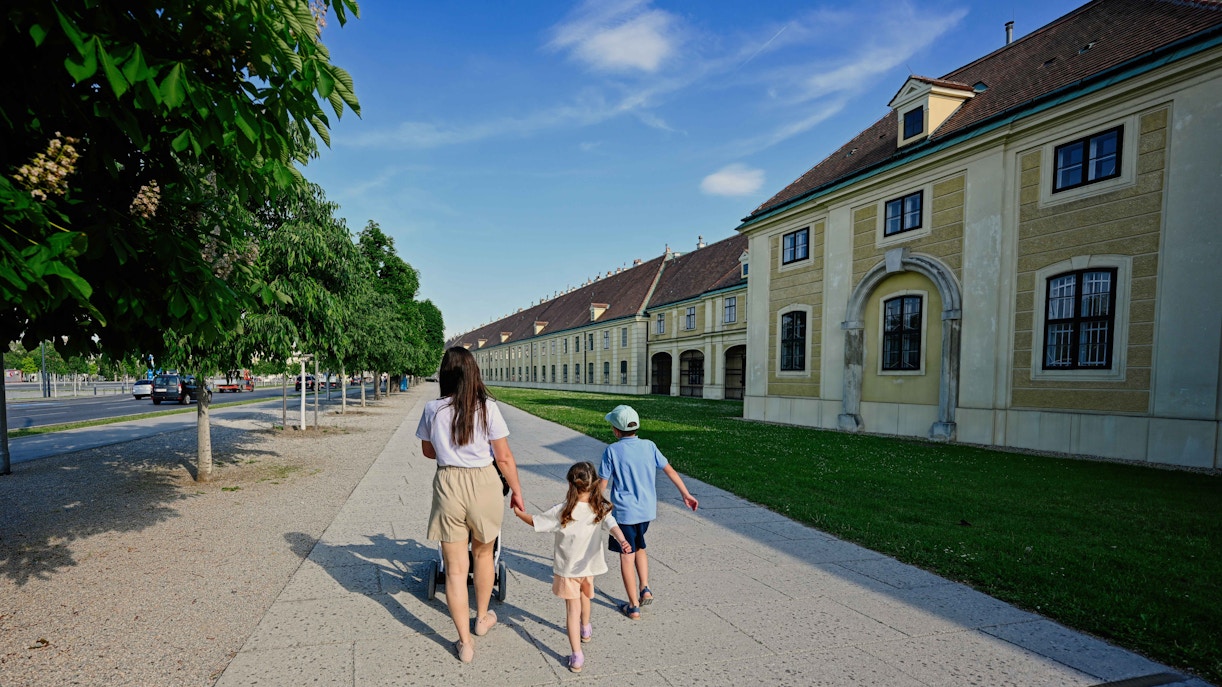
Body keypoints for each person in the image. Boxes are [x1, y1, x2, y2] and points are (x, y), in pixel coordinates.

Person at [416, 347, 525, 663]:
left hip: (449, 484)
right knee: (483, 555)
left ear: (445, 374)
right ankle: (482, 618)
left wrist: (451, 453)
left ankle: (464, 643)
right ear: (474, 372)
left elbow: (428, 452)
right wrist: (516, 491)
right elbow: (503, 456)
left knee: (454, 569)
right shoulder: (487, 407)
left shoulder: (432, 409)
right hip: (484, 483)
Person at [513, 462, 632, 673]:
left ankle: (577, 656)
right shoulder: (599, 509)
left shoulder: (563, 511)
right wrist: (622, 539)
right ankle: (586, 629)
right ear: (595, 484)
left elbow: (536, 522)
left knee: (571, 610)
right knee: (586, 598)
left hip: (568, 570)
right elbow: (613, 525)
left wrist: (518, 513)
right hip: (588, 568)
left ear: (571, 484)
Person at [598, 404, 698, 620]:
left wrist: (594, 506)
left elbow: (602, 484)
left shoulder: (612, 451)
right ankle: (645, 588)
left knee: (626, 554)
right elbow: (669, 470)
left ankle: (633, 606)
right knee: (640, 546)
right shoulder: (650, 446)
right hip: (645, 513)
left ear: (615, 431)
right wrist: (685, 493)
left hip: (623, 515)